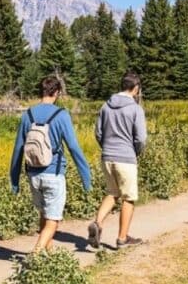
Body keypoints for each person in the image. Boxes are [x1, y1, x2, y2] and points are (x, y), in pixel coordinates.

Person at [10, 75, 93, 252]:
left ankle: (49, 255)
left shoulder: (27, 115)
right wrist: (86, 176)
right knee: (53, 220)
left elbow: (18, 149)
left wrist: (14, 180)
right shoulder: (61, 115)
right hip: (53, 173)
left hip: (33, 174)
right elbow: (73, 147)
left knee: (44, 214)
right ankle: (37, 253)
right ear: (57, 92)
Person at [88, 72, 147, 249]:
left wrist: (106, 147)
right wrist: (135, 152)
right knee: (128, 198)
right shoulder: (135, 109)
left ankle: (97, 223)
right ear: (136, 88)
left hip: (107, 156)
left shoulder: (106, 106)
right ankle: (122, 238)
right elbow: (141, 138)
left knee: (113, 192)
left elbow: (98, 133)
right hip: (126, 157)